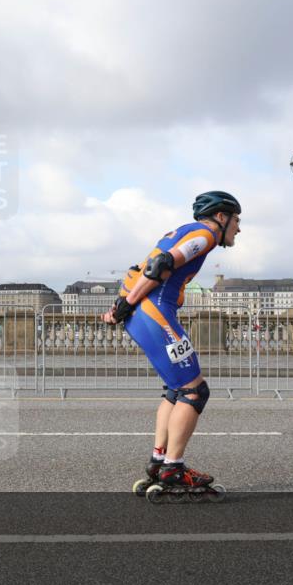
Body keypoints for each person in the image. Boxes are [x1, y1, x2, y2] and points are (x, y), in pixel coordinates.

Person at [103, 191, 242, 492]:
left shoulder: (180, 231)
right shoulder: (205, 234)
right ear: (222, 217)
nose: (238, 229)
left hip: (143, 315)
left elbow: (142, 267)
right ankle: (173, 468)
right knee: (195, 392)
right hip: (156, 314)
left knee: (175, 390)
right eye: (236, 221)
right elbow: (162, 265)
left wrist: (121, 306)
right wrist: (128, 302)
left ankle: (159, 459)